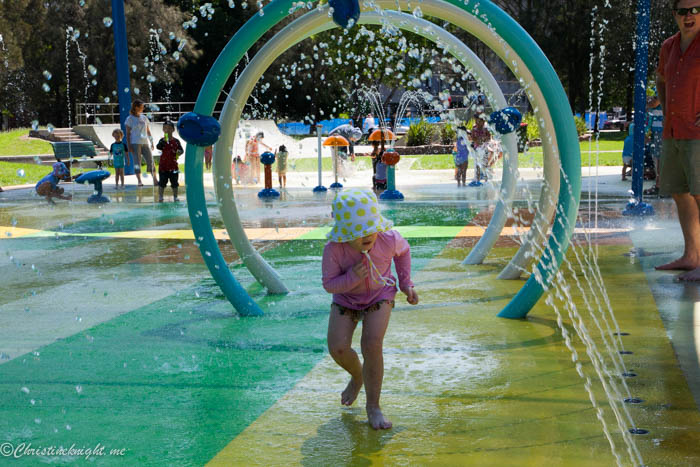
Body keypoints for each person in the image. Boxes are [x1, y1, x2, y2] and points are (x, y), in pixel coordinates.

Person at [322, 188, 419, 430]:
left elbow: (404, 251)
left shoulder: (387, 239)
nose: (367, 237)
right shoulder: (334, 249)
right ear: (344, 234)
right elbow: (329, 285)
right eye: (358, 233)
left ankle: (373, 407)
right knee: (337, 348)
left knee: (372, 343)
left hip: (380, 295)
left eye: (370, 229)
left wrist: (406, 282)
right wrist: (351, 279)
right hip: (346, 299)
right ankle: (357, 376)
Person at [655, 0, 700, 281]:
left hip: (697, 135)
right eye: (683, 11)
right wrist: (665, 106)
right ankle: (692, 256)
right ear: (674, 15)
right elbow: (661, 79)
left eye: (695, 10)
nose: (689, 16)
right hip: (673, 131)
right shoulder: (668, 47)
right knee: (680, 193)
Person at [125, 99, 157, 186]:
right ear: (136, 107)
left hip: (145, 142)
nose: (143, 109)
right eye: (141, 107)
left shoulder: (144, 118)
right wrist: (129, 146)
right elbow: (127, 134)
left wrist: (151, 141)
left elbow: (148, 131)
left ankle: (155, 179)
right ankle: (139, 181)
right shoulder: (129, 119)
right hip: (135, 143)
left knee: (151, 161)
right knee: (137, 162)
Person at [155, 121, 183, 203]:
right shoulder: (162, 140)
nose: (167, 130)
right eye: (165, 128)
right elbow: (158, 147)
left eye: (169, 128)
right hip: (163, 166)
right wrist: (163, 140)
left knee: (174, 182)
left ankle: (175, 196)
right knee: (162, 182)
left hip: (173, 166)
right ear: (163, 130)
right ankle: (160, 196)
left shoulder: (176, 141)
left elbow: (181, 150)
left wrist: (179, 152)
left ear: (173, 130)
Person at [644, 94, 664, 195]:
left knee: (660, 158)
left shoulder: (665, 84)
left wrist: (647, 101)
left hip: (662, 130)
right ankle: (660, 184)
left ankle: (660, 185)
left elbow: (653, 103)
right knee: (657, 158)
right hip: (657, 130)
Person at [470, 116, 491, 182]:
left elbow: (489, 137)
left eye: (479, 121)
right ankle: (477, 179)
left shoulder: (485, 129)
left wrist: (485, 139)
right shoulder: (474, 128)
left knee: (485, 164)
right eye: (476, 121)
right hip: (477, 148)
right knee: (477, 165)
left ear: (483, 122)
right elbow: (472, 137)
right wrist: (476, 140)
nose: (478, 123)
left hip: (484, 148)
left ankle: (486, 179)